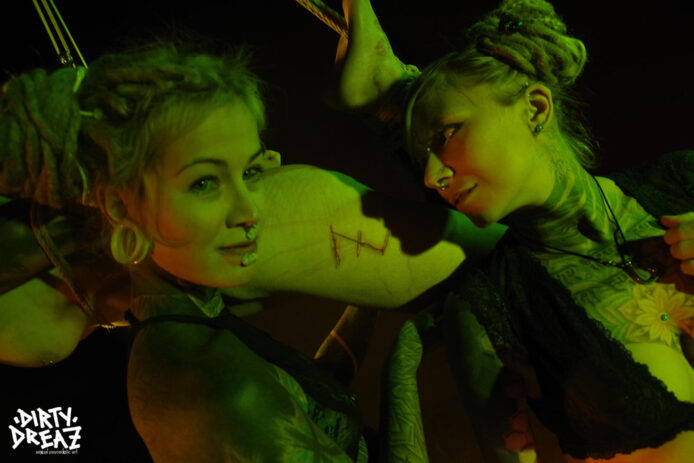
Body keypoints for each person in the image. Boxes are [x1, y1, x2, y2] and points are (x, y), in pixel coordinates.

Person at [0, 40, 508, 461]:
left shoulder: (198, 318)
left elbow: (306, 399)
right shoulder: (212, 386)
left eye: (249, 171)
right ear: (118, 207)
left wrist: (366, 313)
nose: (248, 210)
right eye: (204, 183)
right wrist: (404, 361)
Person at [330, 0, 694, 461]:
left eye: (445, 136)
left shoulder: (684, 180)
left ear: (536, 108)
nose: (432, 176)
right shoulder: (491, 311)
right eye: (422, 160)